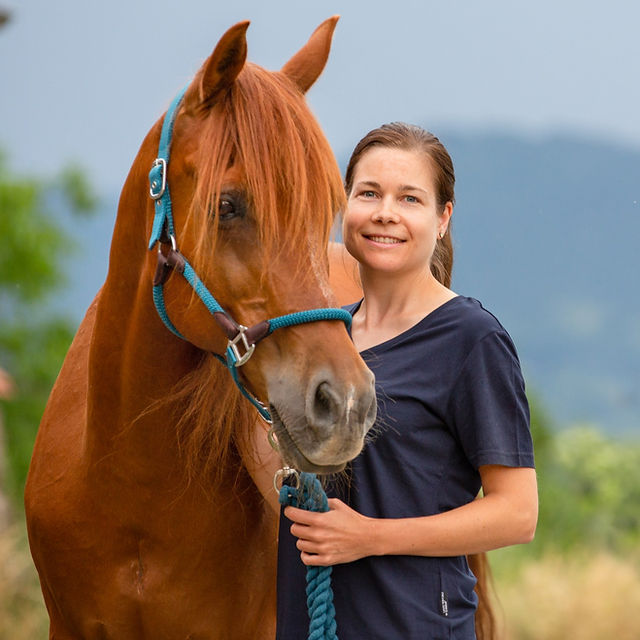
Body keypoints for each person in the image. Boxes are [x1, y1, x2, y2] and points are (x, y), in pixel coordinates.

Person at [273, 123, 538, 639]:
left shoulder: (471, 339)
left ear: (443, 219)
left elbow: (517, 514)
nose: (385, 212)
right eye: (368, 193)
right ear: (344, 208)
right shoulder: (327, 342)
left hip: (414, 625)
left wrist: (369, 537)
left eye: (409, 198)